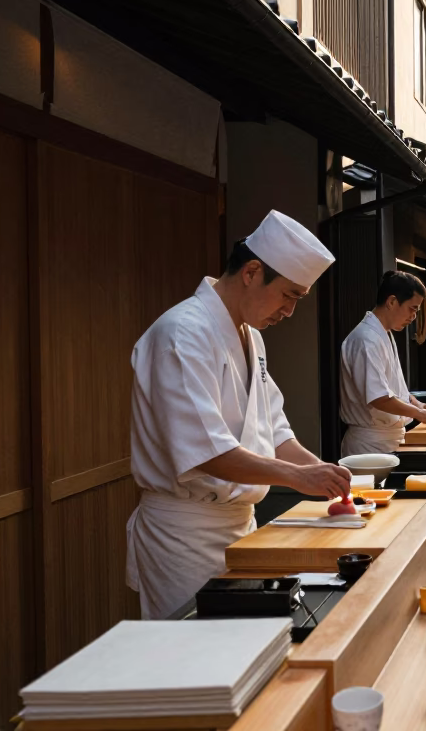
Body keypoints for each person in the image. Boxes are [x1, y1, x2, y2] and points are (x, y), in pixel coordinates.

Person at [126, 211, 353, 619]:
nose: (289, 311)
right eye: (290, 295)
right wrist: (299, 478)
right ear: (251, 272)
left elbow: (274, 432)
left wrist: (322, 472)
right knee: (192, 658)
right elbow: (207, 451)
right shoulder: (181, 333)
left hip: (239, 524)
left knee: (242, 644)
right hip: (184, 534)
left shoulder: (253, 338)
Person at [339, 271, 426, 454]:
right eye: (412, 308)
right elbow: (379, 397)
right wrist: (418, 413)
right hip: (370, 444)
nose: (413, 317)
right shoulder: (366, 339)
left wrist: (416, 404)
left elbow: (391, 388)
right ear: (392, 302)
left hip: (388, 439)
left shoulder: (383, 334)